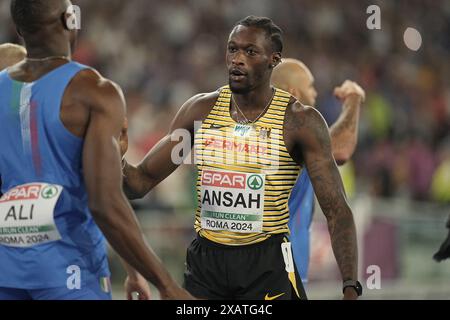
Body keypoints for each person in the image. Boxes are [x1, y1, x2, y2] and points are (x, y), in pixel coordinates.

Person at [121, 16, 361, 300]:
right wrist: (115, 155)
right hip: (206, 264)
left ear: (274, 60)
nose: (237, 59)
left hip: (266, 264)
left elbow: (336, 210)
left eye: (250, 52)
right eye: (232, 49)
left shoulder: (299, 122)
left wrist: (350, 287)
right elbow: (140, 182)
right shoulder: (200, 112)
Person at [0, 0, 191, 300]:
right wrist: (165, 283)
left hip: (7, 271)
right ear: (69, 20)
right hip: (69, 271)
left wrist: (132, 270)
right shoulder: (93, 90)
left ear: (20, 29)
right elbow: (106, 201)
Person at [271, 58, 365, 283]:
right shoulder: (286, 138)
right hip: (275, 278)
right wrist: (353, 99)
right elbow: (341, 148)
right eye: (310, 87)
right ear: (293, 92)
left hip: (279, 274)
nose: (315, 94)